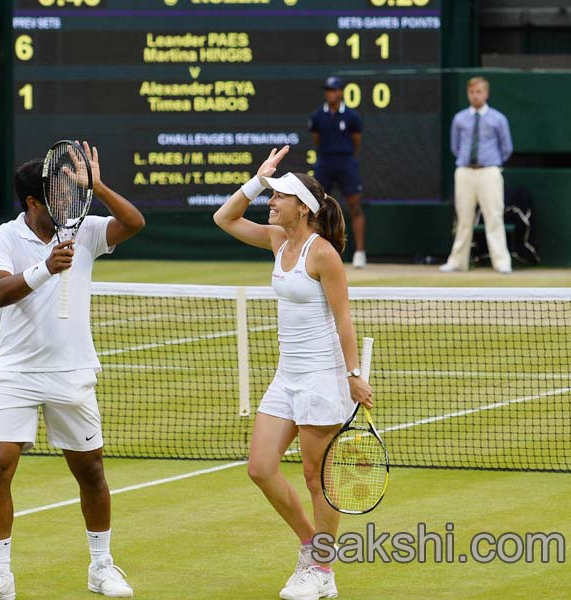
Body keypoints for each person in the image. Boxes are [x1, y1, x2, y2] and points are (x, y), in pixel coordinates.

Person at [0, 141, 145, 600]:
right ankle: (0, 576)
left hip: (72, 374)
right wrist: (45, 269)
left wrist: (98, 186)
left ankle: (102, 567)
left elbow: (134, 223)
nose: (67, 201)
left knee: (91, 473)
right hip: (16, 374)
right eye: (57, 194)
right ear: (32, 202)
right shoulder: (1, 238)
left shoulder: (84, 230)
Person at [213, 146, 373, 600]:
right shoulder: (276, 240)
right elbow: (224, 219)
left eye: (279, 196)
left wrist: (353, 374)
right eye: (271, 195)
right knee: (260, 468)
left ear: (302, 206)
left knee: (314, 477)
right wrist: (259, 179)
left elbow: (344, 319)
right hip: (287, 376)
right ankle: (311, 547)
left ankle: (322, 570)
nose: (271, 202)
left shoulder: (323, 255)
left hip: (323, 377)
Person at [440, 76, 514, 274]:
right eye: (472, 92)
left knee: (494, 216)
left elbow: (507, 148)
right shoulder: (459, 119)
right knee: (463, 219)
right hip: (465, 172)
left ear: (486, 93)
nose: (475, 96)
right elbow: (455, 147)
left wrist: (490, 162)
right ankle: (458, 261)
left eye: (479, 92)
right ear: (468, 94)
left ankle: (501, 262)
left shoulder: (498, 119)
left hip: (489, 171)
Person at [309, 76, 367, 268]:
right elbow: (316, 140)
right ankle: (314, 249)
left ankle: (359, 253)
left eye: (333, 90)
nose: (330, 94)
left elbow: (356, 142)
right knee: (316, 206)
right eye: (327, 90)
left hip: (346, 162)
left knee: (355, 206)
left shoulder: (352, 117)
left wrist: (347, 157)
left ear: (341, 92)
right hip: (325, 162)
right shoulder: (317, 117)